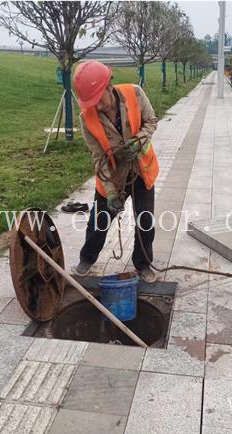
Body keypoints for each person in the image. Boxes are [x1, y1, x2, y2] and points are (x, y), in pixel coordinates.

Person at [72, 61, 159, 283]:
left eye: (98, 100)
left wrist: (138, 141)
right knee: (99, 220)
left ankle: (143, 263)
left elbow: (151, 121)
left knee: (145, 220)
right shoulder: (86, 118)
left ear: (109, 86)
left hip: (141, 170)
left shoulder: (135, 94)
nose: (97, 107)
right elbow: (98, 158)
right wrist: (110, 192)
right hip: (113, 175)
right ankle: (87, 258)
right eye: (91, 103)